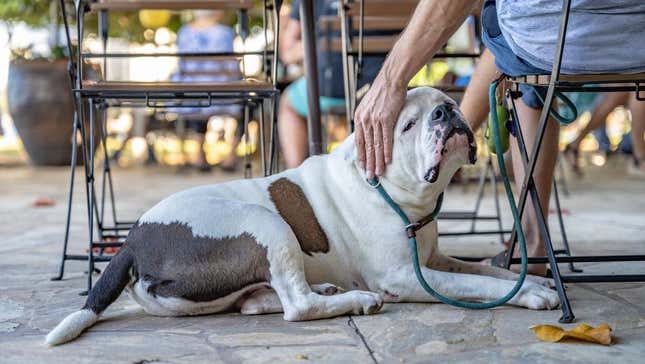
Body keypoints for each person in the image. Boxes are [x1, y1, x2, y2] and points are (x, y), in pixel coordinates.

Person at [353, 0, 645, 275]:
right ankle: (453, 145)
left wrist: (389, 82)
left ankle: (531, 245)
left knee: (515, 47)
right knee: (516, 42)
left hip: (554, 40)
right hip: (637, 40)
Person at [278, 0, 386, 168]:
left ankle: (296, 173)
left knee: (288, 103)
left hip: (328, 88)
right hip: (382, 91)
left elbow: (287, 52)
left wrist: (321, 45)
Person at [172, 10, 241, 172]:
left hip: (190, 94)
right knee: (247, 102)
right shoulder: (224, 32)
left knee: (199, 94)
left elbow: (181, 64)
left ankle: (199, 155)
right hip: (220, 93)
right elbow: (231, 66)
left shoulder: (184, 32)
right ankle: (231, 155)